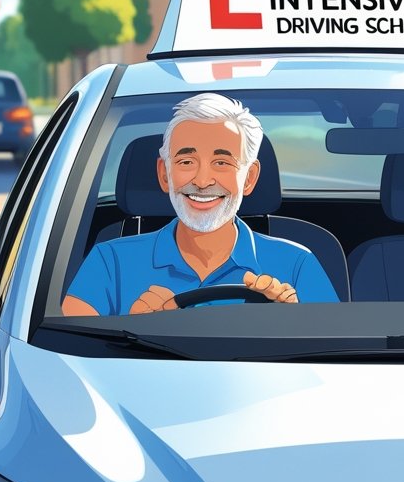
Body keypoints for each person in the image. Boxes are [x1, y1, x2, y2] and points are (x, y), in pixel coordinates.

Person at [61, 93, 338, 316]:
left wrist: (293, 324)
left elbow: (333, 361)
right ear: (164, 174)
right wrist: (132, 332)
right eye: (186, 162)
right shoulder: (108, 262)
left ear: (249, 178)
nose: (203, 181)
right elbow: (65, 361)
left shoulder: (298, 264)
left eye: (222, 163)